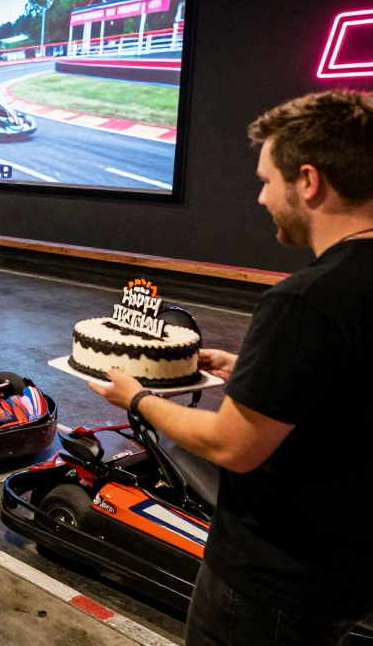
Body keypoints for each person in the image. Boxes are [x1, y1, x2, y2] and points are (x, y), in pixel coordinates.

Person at [89, 89, 373, 646]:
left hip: (271, 582)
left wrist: (140, 400)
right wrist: (253, 370)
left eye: (268, 181)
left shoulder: (306, 299)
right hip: (350, 572)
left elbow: (231, 445)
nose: (263, 198)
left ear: (309, 182)